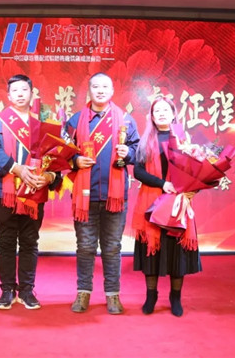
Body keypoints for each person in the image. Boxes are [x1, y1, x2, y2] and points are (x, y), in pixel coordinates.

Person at [66, 72, 139, 315]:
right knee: (85, 247)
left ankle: (112, 295)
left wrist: (128, 154)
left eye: (105, 86)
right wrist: (75, 160)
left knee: (112, 248)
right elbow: (62, 152)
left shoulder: (126, 120)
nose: (100, 90)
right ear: (89, 90)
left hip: (115, 197)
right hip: (85, 196)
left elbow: (138, 150)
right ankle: (83, 292)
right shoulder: (75, 120)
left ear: (112, 90)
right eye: (95, 86)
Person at [0, 74, 61, 310]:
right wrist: (16, 168)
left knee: (30, 241)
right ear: (9, 96)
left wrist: (49, 176)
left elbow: (56, 154)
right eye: (15, 91)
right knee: (6, 241)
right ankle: (7, 289)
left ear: (31, 93)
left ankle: (27, 290)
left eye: (24, 90)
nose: (20, 94)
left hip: (34, 190)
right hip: (4, 191)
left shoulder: (43, 121)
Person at [131, 96, 202, 317]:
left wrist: (192, 186)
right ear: (152, 117)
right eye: (157, 111)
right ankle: (151, 295)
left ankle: (175, 297)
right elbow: (137, 172)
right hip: (152, 202)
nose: (161, 113)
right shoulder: (145, 141)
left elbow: (195, 171)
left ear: (173, 114)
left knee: (176, 250)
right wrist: (163, 184)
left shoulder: (183, 140)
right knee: (151, 251)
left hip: (177, 203)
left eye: (165, 110)